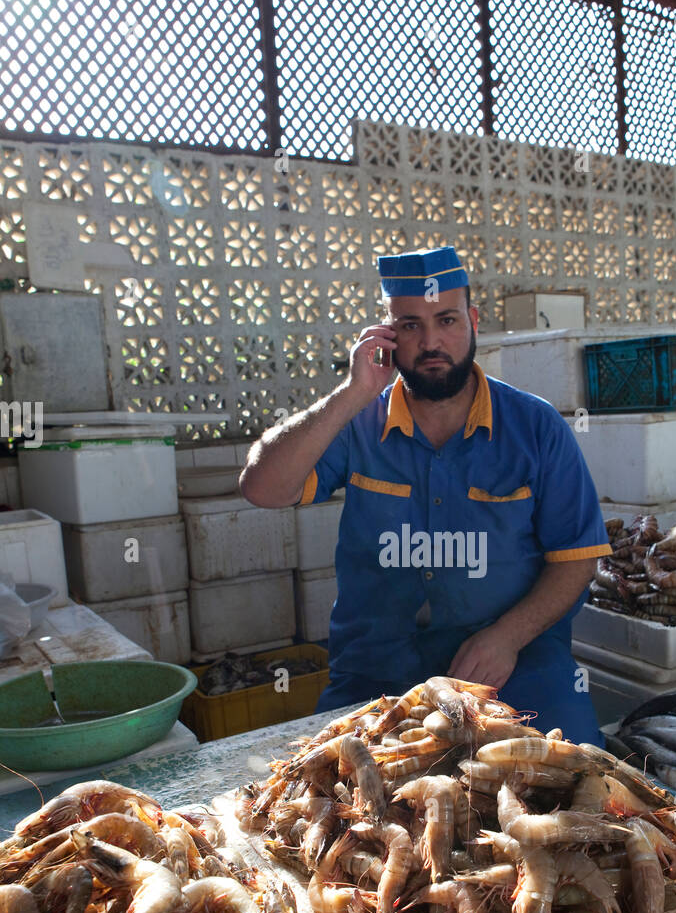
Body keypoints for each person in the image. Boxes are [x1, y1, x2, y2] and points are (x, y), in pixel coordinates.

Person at [240, 245, 612, 743]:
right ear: (387, 334)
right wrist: (353, 392)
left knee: (576, 777)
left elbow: (577, 559)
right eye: (411, 325)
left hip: (512, 663)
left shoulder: (536, 426)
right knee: (336, 798)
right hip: (377, 667)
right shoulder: (358, 421)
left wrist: (508, 636)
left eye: (447, 320)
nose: (432, 341)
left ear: (473, 321)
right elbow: (262, 488)